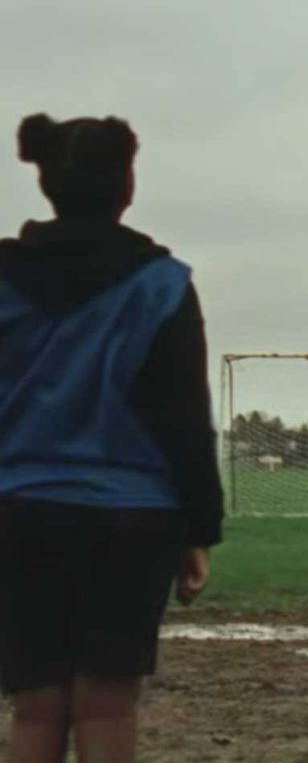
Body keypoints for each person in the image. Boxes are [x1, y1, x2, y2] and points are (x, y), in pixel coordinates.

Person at [0, 113, 222, 763]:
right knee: (106, 704)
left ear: (46, 183)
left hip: (18, 512)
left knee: (35, 705)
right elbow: (185, 415)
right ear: (126, 186)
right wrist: (199, 529)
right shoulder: (165, 285)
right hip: (134, 517)